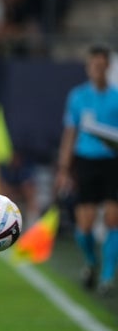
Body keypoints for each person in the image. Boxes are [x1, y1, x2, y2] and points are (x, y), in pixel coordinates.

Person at [55, 44, 118, 296]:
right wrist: (64, 169)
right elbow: (70, 134)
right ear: (88, 67)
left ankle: (107, 276)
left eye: (101, 65)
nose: (97, 69)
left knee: (113, 219)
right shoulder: (78, 97)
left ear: (108, 66)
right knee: (85, 225)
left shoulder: (116, 97)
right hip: (86, 162)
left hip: (113, 162)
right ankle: (92, 261)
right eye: (93, 65)